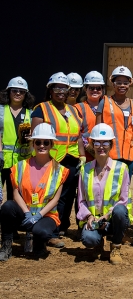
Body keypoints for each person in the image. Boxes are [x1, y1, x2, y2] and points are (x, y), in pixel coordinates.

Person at [0, 123, 69, 260]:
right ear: (33, 143)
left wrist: (38, 216)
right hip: (25, 214)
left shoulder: (60, 170)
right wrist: (26, 213)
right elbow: (15, 193)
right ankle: (6, 246)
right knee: (7, 207)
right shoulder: (20, 166)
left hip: (46, 215)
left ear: (51, 145)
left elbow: (56, 199)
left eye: (46, 142)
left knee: (41, 231)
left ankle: (39, 244)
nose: (42, 145)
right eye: (38, 142)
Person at [30, 72, 86, 244]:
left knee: (67, 197)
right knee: (50, 196)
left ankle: (59, 227)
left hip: (71, 159)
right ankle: (49, 233)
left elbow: (78, 136)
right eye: (57, 88)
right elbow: (36, 137)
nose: (61, 91)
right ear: (50, 89)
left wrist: (82, 155)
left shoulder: (72, 110)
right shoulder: (42, 109)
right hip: (51, 160)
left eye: (64, 88)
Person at [77, 123, 133, 264]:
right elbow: (81, 200)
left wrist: (106, 216)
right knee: (89, 239)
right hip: (94, 221)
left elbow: (124, 200)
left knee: (120, 211)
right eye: (97, 142)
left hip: (113, 220)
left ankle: (115, 247)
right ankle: (98, 243)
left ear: (111, 144)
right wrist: (89, 217)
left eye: (105, 142)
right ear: (92, 144)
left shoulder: (121, 168)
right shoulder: (85, 169)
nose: (101, 146)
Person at [96, 66, 133, 176]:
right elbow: (97, 130)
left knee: (124, 191)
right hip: (108, 157)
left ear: (129, 84)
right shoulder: (105, 102)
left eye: (125, 82)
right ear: (113, 84)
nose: (122, 85)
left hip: (129, 159)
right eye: (119, 82)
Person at [0, 77, 34, 201]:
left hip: (21, 161)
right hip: (2, 160)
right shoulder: (1, 110)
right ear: (8, 92)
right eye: (14, 90)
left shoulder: (31, 113)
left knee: (15, 197)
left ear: (26, 94)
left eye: (22, 91)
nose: (18, 93)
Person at [74, 71, 105, 163]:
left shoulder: (108, 106)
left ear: (102, 89)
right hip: (86, 155)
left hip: (106, 152)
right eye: (91, 88)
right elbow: (76, 131)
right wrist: (89, 148)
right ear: (85, 89)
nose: (95, 90)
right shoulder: (78, 108)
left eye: (98, 88)